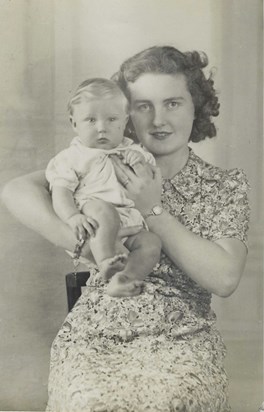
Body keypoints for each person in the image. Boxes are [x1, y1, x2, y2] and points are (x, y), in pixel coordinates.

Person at [1, 46, 250, 412]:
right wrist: (89, 244)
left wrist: (153, 209)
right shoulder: (99, 163)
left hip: (181, 335)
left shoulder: (222, 184)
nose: (158, 119)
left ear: (196, 106)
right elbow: (16, 190)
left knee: (170, 401)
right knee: (91, 401)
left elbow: (225, 278)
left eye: (173, 103)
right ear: (124, 113)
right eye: (143, 105)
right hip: (96, 329)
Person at [45, 77, 161, 297]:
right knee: (103, 210)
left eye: (111, 119)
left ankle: (124, 279)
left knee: (151, 242)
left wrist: (140, 164)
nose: (101, 128)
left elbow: (151, 183)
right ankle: (106, 261)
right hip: (95, 220)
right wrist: (72, 217)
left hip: (129, 221)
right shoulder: (72, 157)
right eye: (90, 120)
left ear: (125, 120)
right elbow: (61, 192)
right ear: (74, 123)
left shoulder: (133, 151)